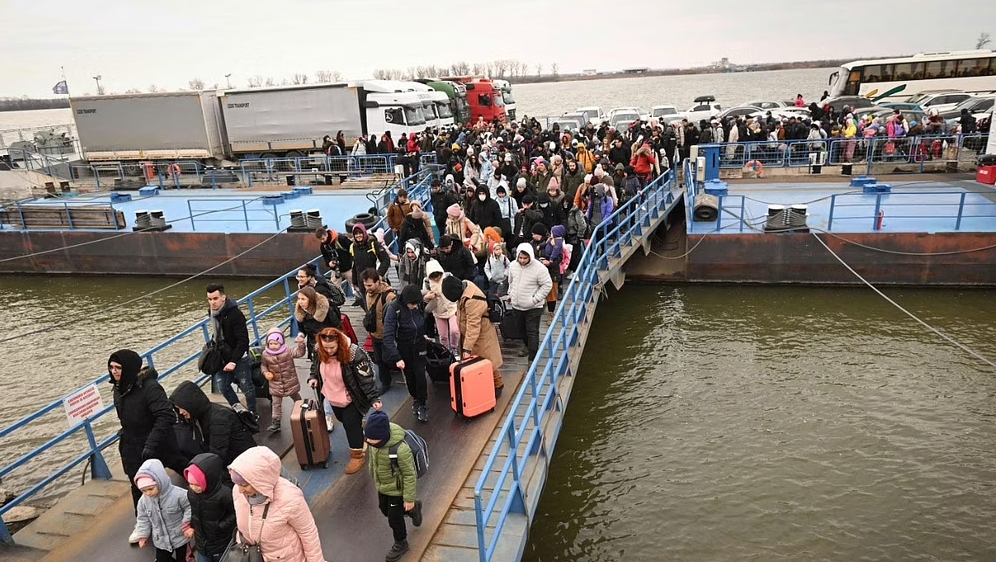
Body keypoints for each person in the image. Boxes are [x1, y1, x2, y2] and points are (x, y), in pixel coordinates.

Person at [229, 447, 327, 562]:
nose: (240, 490)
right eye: (237, 483)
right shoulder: (237, 491)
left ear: (259, 480)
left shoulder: (290, 497)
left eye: (244, 485)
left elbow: (308, 533)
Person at [109, 349, 176, 518]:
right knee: (136, 481)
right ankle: (142, 519)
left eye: (118, 367)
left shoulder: (150, 388)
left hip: (155, 442)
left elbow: (166, 415)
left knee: (163, 477)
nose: (113, 371)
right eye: (111, 367)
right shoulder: (118, 389)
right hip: (131, 443)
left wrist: (152, 443)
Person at [308, 327, 382, 474]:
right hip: (332, 395)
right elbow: (315, 366)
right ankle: (359, 430)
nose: (328, 351)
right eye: (325, 348)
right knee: (342, 419)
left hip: (352, 396)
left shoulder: (354, 354)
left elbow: (365, 378)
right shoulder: (319, 350)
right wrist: (313, 377)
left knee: (350, 424)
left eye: (332, 347)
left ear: (339, 344)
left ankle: (357, 455)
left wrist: (374, 397)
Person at [364, 411, 421, 562]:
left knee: (394, 519)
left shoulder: (400, 450)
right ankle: (413, 509)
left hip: (397, 490)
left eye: (371, 438)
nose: (368, 440)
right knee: (385, 510)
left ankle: (401, 543)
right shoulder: (373, 444)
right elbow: (373, 462)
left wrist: (408, 498)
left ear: (382, 436)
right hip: (382, 486)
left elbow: (409, 475)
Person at [442, 275, 505, 393]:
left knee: (486, 362)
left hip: (481, 336)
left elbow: (473, 326)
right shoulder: (464, 290)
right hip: (474, 335)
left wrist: (466, 349)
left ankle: (497, 385)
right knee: (485, 362)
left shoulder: (472, 299)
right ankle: (494, 385)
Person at [170, 381, 256, 466]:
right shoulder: (199, 416)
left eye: (181, 408)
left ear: (190, 404)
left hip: (243, 461)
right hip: (232, 457)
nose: (180, 412)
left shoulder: (219, 418)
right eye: (178, 409)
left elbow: (218, 455)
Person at [206, 284, 256, 414]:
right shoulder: (212, 312)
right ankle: (240, 411)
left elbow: (243, 341)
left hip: (238, 357)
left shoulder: (236, 314)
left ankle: (253, 413)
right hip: (222, 356)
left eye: (215, 298)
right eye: (210, 299)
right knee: (223, 386)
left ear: (223, 297)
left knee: (247, 387)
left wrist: (234, 361)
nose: (212, 302)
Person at [383, 285, 430, 422]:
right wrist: (397, 357)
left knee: (420, 374)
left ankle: (422, 403)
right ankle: (415, 397)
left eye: (417, 304)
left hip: (419, 343)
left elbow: (421, 321)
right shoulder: (394, 309)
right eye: (413, 304)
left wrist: (424, 334)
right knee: (410, 375)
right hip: (404, 346)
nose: (415, 306)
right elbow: (388, 336)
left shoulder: (417, 305)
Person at [131, 459, 191, 562]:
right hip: (161, 540)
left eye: (150, 489)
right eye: (144, 491)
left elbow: (189, 508)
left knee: (184, 558)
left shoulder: (179, 495)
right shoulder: (143, 501)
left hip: (180, 537)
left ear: (160, 482)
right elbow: (143, 519)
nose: (148, 493)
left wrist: (187, 524)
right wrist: (143, 535)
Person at [185, 453, 235, 562]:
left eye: (197, 484)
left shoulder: (224, 494)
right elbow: (194, 512)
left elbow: (234, 513)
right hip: (202, 543)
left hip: (221, 542)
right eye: (190, 484)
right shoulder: (191, 493)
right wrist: (191, 526)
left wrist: (220, 526)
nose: (193, 488)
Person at [506, 243, 552, 361]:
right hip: (517, 305)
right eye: (520, 258)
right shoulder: (512, 266)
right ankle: (527, 346)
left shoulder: (540, 268)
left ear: (530, 256)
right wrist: (510, 293)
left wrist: (535, 299)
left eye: (525, 258)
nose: (522, 260)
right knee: (520, 329)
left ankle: (532, 359)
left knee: (532, 331)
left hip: (533, 307)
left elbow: (547, 285)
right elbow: (511, 281)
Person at [260, 329, 306, 432]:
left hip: (290, 381)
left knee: (296, 398)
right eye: (270, 343)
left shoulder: (288, 351)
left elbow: (299, 353)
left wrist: (301, 345)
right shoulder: (265, 354)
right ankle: (276, 423)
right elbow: (263, 365)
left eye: (275, 343)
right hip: (275, 383)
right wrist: (265, 373)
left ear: (281, 342)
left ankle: (303, 412)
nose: (273, 346)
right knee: (276, 403)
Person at [362, 268, 397, 392]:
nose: (367, 288)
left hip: (387, 335)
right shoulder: (367, 294)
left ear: (378, 282)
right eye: (365, 285)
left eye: (370, 285)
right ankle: (385, 383)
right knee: (380, 360)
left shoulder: (388, 296)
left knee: (388, 358)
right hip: (375, 334)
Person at [423, 259, 460, 355]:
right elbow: (424, 298)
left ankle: (454, 347)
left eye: (438, 275)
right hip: (438, 310)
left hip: (452, 308)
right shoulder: (427, 282)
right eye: (433, 277)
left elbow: (457, 289)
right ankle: (445, 350)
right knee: (443, 335)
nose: (436, 278)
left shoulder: (448, 277)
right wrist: (427, 297)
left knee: (454, 330)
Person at [350, 223, 390, 290]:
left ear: (364, 233)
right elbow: (354, 266)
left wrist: (379, 274)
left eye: (360, 233)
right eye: (356, 234)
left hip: (374, 282)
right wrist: (354, 282)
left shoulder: (373, 244)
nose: (358, 235)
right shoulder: (353, 247)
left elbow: (386, 260)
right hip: (362, 283)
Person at [315, 228, 353, 292]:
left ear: (326, 234)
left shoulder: (341, 239)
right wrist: (329, 263)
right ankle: (338, 301)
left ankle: (359, 300)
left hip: (348, 268)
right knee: (334, 289)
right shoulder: (323, 246)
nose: (322, 241)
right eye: (320, 240)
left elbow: (352, 248)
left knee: (355, 286)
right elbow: (325, 256)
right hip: (336, 269)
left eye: (323, 239)